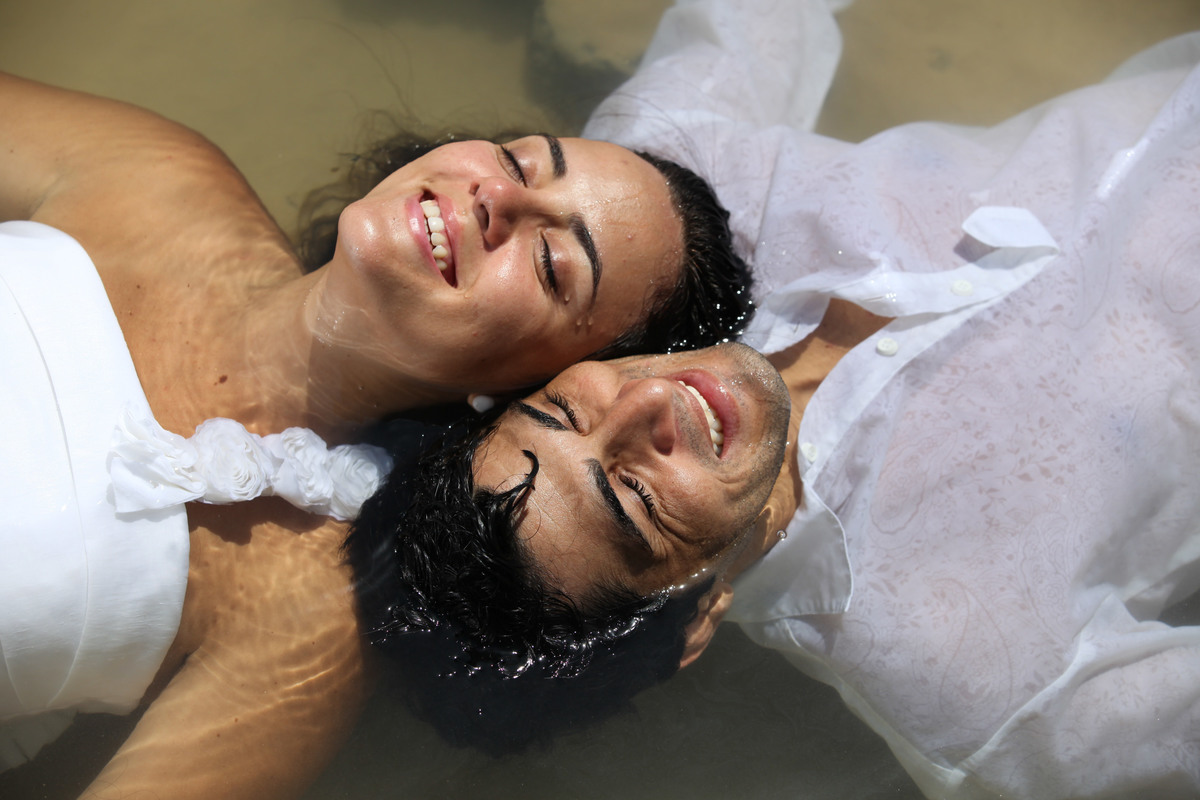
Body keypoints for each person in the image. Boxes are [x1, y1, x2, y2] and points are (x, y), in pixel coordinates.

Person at [350, 0, 1200, 796]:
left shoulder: (643, 213)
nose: (648, 410)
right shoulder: (980, 686)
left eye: (564, 412)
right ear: (697, 619)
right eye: (636, 496)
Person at [0, 65, 752, 796]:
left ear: (543, 387)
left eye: (552, 262)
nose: (497, 196)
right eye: (520, 159)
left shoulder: (309, 622)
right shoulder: (168, 182)